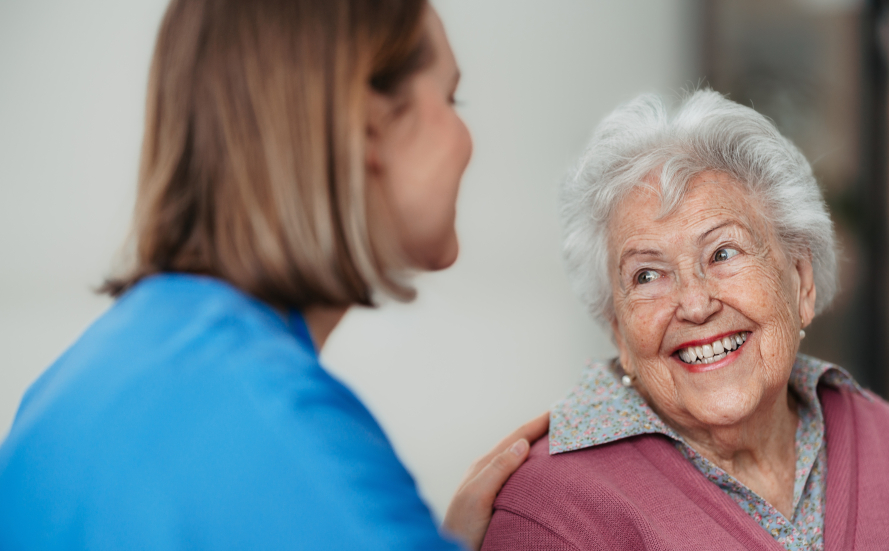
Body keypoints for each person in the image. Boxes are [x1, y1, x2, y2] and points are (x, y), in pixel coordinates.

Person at [0, 1, 546, 550]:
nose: (466, 137)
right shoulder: (286, 432)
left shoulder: (67, 386)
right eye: (451, 98)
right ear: (365, 122)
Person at [482, 91, 889, 550]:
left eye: (722, 252)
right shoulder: (548, 512)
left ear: (800, 279)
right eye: (648, 275)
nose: (695, 304)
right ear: (618, 329)